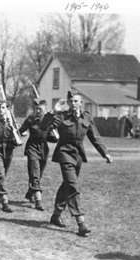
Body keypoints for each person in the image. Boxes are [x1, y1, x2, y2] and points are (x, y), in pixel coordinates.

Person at [50, 90, 112, 237]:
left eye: (76, 101)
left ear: (81, 103)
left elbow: (94, 137)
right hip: (64, 153)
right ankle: (81, 222)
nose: (74, 104)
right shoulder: (62, 116)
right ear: (68, 103)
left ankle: (56, 215)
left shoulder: (87, 117)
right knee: (72, 185)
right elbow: (45, 126)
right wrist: (54, 111)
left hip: (78, 156)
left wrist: (105, 153)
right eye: (71, 101)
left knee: (67, 185)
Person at [18, 99, 58, 210]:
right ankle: (38, 201)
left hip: (44, 149)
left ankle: (30, 192)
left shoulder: (49, 120)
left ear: (45, 110)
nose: (38, 111)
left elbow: (52, 137)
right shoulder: (31, 119)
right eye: (36, 109)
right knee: (35, 174)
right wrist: (22, 132)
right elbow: (21, 130)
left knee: (38, 175)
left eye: (40, 109)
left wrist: (54, 136)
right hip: (32, 148)